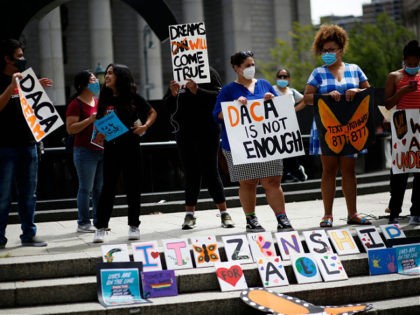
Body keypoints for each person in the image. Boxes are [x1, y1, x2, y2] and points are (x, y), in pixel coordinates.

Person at [213, 50, 293, 233]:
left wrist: (271, 100)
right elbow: (217, 116)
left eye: (252, 64)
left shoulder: (265, 85)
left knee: (272, 181)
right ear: (236, 68)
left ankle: (282, 218)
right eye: (247, 65)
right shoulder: (228, 90)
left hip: (267, 143)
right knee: (248, 182)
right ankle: (251, 220)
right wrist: (233, 106)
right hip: (241, 145)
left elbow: (277, 109)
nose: (251, 68)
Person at [303, 24, 372, 228]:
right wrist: (324, 96)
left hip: (352, 128)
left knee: (349, 170)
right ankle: (327, 215)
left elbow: (369, 93)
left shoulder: (355, 69)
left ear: (341, 49)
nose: (328, 53)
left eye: (331, 49)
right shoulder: (318, 73)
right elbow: (307, 98)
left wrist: (356, 91)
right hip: (327, 128)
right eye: (324, 50)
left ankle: (353, 213)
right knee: (329, 170)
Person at [163, 68, 235, 230]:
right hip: (184, 131)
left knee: (211, 170)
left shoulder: (209, 72)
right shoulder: (178, 75)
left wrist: (198, 90)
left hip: (208, 130)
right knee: (190, 172)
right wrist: (173, 95)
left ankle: (224, 213)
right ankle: (189, 214)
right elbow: (167, 106)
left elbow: (220, 97)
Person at [93, 63, 157, 243]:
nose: (107, 76)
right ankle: (100, 227)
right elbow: (100, 119)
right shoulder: (104, 97)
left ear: (120, 76)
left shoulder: (133, 97)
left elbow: (153, 112)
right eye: (106, 73)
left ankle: (134, 225)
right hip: (111, 147)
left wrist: (145, 126)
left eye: (111, 73)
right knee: (108, 188)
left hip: (131, 145)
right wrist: (99, 132)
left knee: (133, 187)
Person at [0, 39, 52, 248]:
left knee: (28, 193)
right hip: (4, 146)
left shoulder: (26, 79)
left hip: (28, 143)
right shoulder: (6, 80)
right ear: (7, 58)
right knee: (3, 194)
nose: (22, 59)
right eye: (18, 56)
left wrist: (35, 88)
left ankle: (29, 234)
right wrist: (11, 86)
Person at [383, 40, 419, 225]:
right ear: (404, 61)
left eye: (416, 64)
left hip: (418, 129)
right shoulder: (394, 77)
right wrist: (404, 90)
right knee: (400, 173)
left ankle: (416, 212)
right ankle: (394, 212)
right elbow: (387, 104)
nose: (412, 67)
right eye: (409, 64)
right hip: (402, 129)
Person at [66, 70, 103, 233]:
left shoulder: (97, 101)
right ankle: (83, 222)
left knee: (99, 188)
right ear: (83, 85)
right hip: (84, 151)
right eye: (92, 80)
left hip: (100, 149)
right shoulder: (76, 104)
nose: (96, 82)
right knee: (85, 188)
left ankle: (99, 220)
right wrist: (89, 120)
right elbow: (70, 129)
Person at [272, 68, 308, 183]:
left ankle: (295, 170)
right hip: (275, 125)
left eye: (285, 76)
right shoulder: (272, 89)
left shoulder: (291, 91)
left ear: (289, 78)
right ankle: (286, 173)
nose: (282, 79)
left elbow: (305, 100)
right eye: (280, 76)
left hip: (289, 124)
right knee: (278, 149)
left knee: (289, 149)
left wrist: (294, 109)